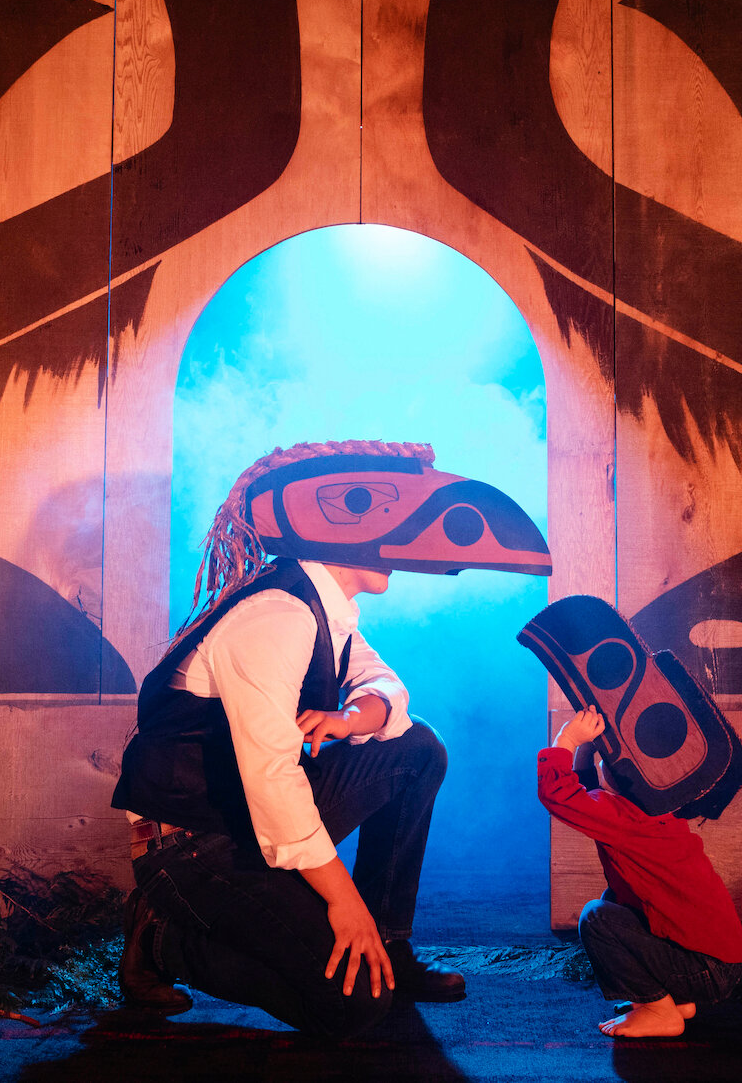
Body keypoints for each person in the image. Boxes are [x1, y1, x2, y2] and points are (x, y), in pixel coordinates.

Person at [111, 439, 552, 1037]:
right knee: (353, 1006)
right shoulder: (278, 614)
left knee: (417, 750)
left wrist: (351, 718)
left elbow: (383, 686)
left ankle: (389, 947)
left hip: (243, 821)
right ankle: (163, 941)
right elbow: (271, 775)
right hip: (191, 845)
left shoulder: (326, 609)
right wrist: (345, 903)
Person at [539, 706, 742, 1038]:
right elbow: (591, 794)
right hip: (715, 963)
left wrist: (568, 739)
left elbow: (560, 795)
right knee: (617, 901)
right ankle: (677, 999)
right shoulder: (652, 809)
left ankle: (659, 1010)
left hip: (705, 968)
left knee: (598, 917)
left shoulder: (625, 819)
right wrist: (590, 748)